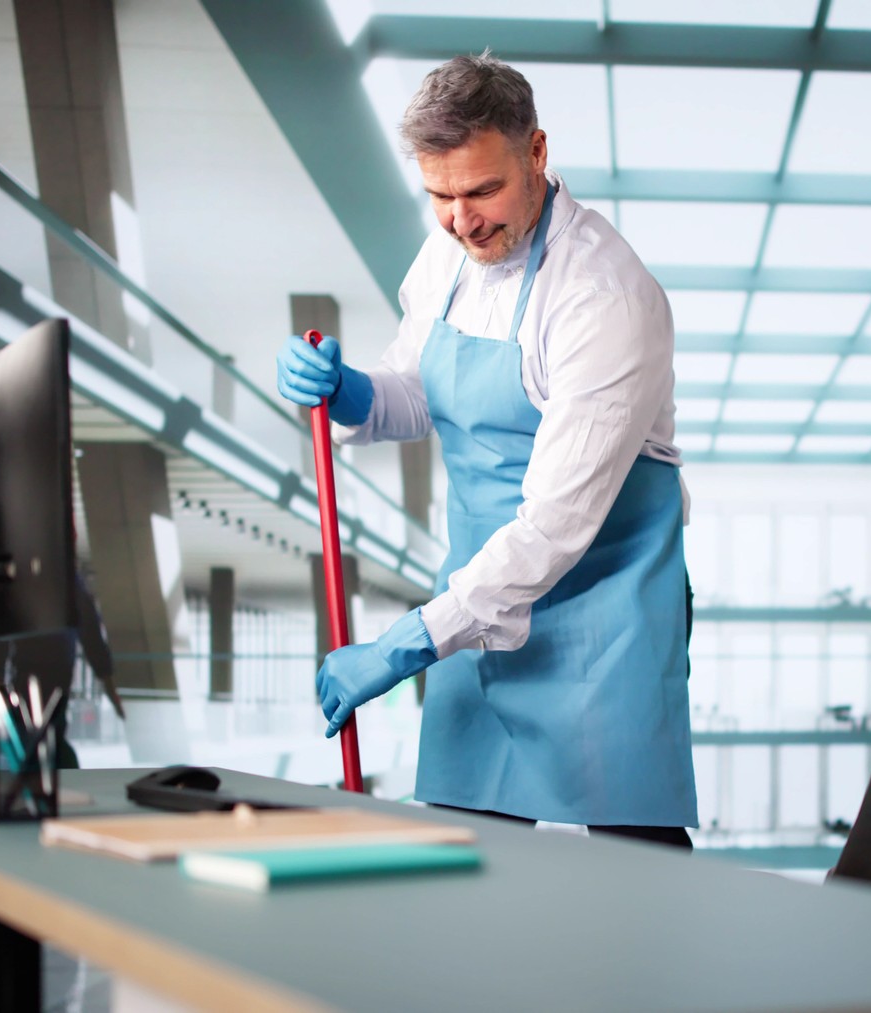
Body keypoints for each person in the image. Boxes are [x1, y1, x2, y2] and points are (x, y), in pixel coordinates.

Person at [276, 53, 695, 848]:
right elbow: (417, 386)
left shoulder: (604, 298)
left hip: (603, 617)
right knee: (467, 855)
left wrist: (403, 644)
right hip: (476, 598)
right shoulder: (450, 257)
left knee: (640, 877)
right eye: (439, 195)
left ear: (536, 153)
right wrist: (350, 390)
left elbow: (551, 529)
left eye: (481, 191)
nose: (461, 220)